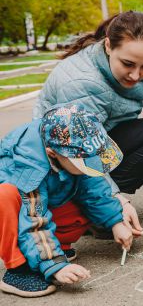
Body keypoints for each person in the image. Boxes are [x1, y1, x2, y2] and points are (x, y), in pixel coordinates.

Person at [33, 12, 143, 229]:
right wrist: (116, 201)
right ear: (108, 46)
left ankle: (94, 208)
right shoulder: (81, 84)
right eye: (128, 64)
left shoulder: (117, 65)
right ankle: (90, 211)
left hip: (98, 139)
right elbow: (82, 153)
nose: (136, 75)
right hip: (61, 163)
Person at [0, 104, 133, 297]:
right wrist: (56, 266)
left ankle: (53, 248)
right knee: (6, 196)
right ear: (53, 153)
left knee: (85, 192)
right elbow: (34, 219)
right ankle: (19, 268)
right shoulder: (30, 166)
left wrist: (116, 221)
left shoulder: (71, 147)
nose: (90, 164)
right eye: (83, 161)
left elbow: (94, 188)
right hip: (23, 210)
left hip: (45, 199)